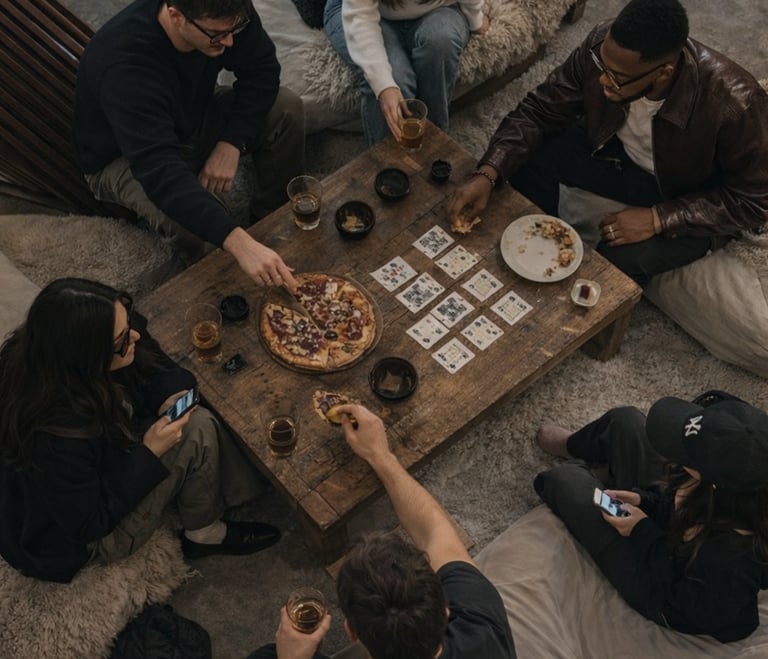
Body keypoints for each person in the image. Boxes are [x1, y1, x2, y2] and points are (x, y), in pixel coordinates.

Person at [448, 0, 768, 285]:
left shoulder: (736, 103)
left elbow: (754, 201)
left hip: (685, 195)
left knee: (618, 263)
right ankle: (540, 246)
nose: (602, 79)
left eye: (616, 76)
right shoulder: (601, 45)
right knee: (520, 164)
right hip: (616, 159)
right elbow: (539, 110)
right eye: (602, 66)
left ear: (662, 74)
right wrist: (487, 173)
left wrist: (659, 219)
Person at [0, 278, 280, 584]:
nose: (133, 334)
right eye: (121, 339)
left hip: (92, 465)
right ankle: (204, 532)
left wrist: (166, 396)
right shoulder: (57, 440)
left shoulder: (52, 346)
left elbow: (151, 354)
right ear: (89, 360)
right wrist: (149, 454)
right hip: (77, 538)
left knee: (188, 408)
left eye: (127, 321)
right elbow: (89, 524)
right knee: (198, 427)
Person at [247, 404, 516, 659]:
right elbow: (433, 529)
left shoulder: (480, 613)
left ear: (352, 633)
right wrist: (380, 455)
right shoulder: (482, 624)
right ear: (445, 612)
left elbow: (433, 530)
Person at [73, 0, 304, 290]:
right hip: (122, 156)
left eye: (235, 30)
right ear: (176, 16)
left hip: (192, 113)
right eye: (217, 36)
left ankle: (270, 225)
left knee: (286, 108)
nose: (230, 41)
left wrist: (231, 141)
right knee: (201, 225)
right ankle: (233, 288)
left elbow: (263, 70)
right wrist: (236, 241)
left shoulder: (228, 14)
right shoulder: (124, 66)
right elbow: (159, 172)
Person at [534, 391, 768, 643]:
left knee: (566, 480)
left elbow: (685, 598)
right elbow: (671, 502)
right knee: (624, 420)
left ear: (711, 483)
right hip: (680, 528)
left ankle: (593, 469)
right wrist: (646, 501)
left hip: (666, 590)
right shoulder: (732, 482)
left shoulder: (728, 562)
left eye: (686, 456)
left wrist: (641, 530)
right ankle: (575, 446)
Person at [323, 0, 490, 145]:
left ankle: (433, 145)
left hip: (437, 9)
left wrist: (475, 18)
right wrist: (384, 85)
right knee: (396, 80)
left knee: (440, 43)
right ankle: (390, 168)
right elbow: (360, 18)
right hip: (361, 12)